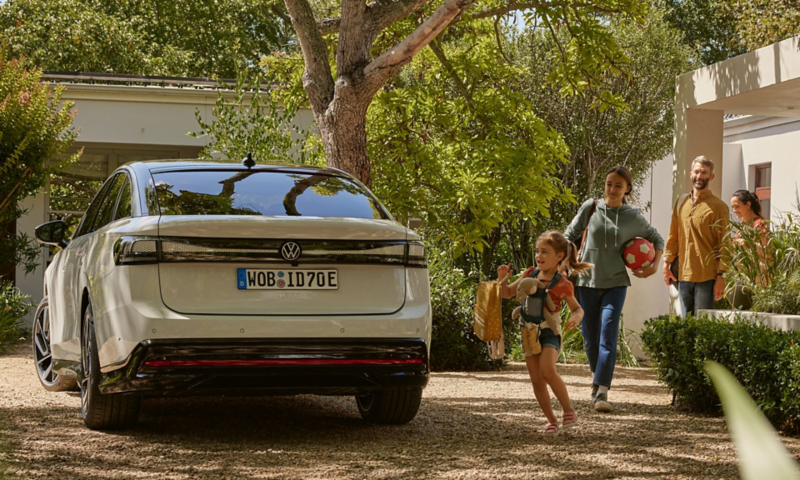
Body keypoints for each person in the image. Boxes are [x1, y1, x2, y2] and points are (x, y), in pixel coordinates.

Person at [565, 166, 664, 412]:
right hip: (586, 282)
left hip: (616, 284)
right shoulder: (591, 207)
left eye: (618, 185)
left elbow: (657, 239)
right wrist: (566, 260)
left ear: (627, 189)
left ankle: (602, 392)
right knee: (590, 339)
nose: (612, 189)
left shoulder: (633, 217)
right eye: (609, 183)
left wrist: (653, 266)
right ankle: (596, 378)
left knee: (608, 335)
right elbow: (569, 234)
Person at [497, 231, 591, 435]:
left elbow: (578, 309)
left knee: (547, 370)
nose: (539, 255)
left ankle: (569, 411)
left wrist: (576, 318)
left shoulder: (562, 283)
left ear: (559, 256)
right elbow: (506, 294)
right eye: (537, 251)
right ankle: (551, 421)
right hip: (529, 333)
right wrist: (502, 279)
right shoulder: (529, 275)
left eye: (545, 252)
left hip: (550, 332)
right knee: (536, 379)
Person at [663, 156, 730, 316]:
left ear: (711, 176)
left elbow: (725, 244)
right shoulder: (681, 202)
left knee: (702, 325)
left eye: (704, 173)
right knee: (686, 325)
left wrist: (721, 276)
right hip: (683, 275)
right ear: (691, 174)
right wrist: (666, 264)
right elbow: (673, 236)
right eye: (697, 172)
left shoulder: (718, 207)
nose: (699, 176)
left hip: (706, 277)